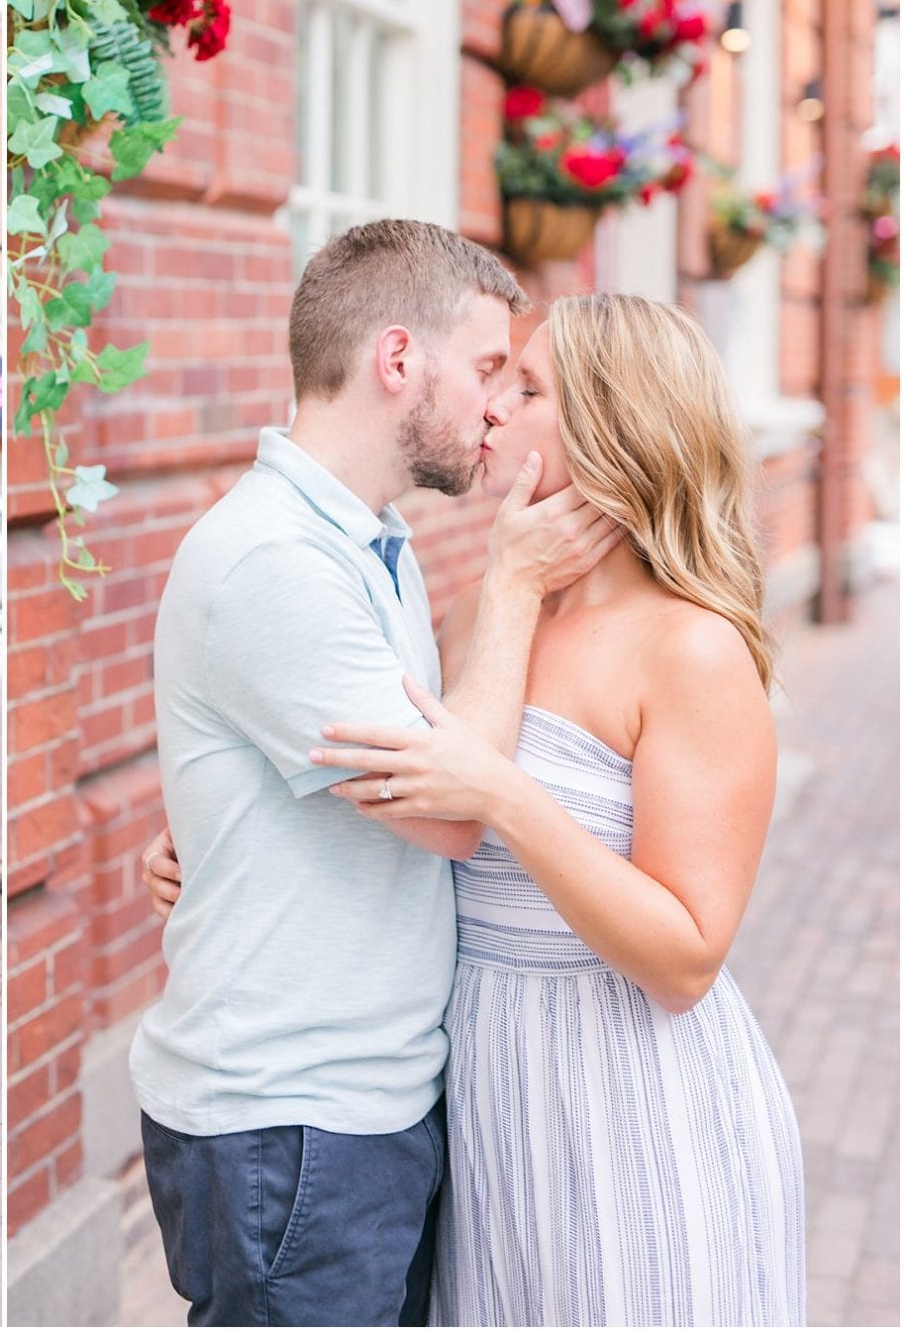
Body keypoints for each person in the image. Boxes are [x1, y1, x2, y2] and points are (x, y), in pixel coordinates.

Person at [150, 294, 805, 1325]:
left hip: (629, 1094)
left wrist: (505, 795)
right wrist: (227, 845)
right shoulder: (477, 615)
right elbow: (389, 787)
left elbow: (687, 956)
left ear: (615, 427)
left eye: (529, 388)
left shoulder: (693, 648)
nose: (494, 407)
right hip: (485, 1096)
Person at [130, 219, 616, 1326]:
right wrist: (513, 583)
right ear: (400, 361)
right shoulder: (276, 559)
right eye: (489, 368)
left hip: (354, 1108)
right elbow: (451, 812)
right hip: (294, 1124)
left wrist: (213, 843)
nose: (498, 407)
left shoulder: (364, 538)